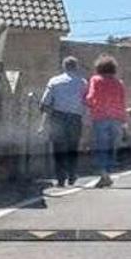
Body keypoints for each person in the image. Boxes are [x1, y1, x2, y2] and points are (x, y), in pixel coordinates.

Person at [39, 56, 87, 187]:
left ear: (63, 66)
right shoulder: (82, 82)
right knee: (73, 147)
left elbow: (45, 101)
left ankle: (60, 178)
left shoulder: (54, 81)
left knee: (58, 148)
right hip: (75, 118)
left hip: (58, 117)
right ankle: (72, 175)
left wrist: (43, 114)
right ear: (76, 67)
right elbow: (86, 101)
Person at [85, 55, 128, 188]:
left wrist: (87, 102)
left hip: (101, 117)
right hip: (116, 119)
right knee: (111, 147)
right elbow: (123, 102)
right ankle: (107, 174)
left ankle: (104, 175)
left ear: (99, 67)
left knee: (101, 147)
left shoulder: (96, 80)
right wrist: (124, 121)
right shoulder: (119, 83)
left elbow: (91, 97)